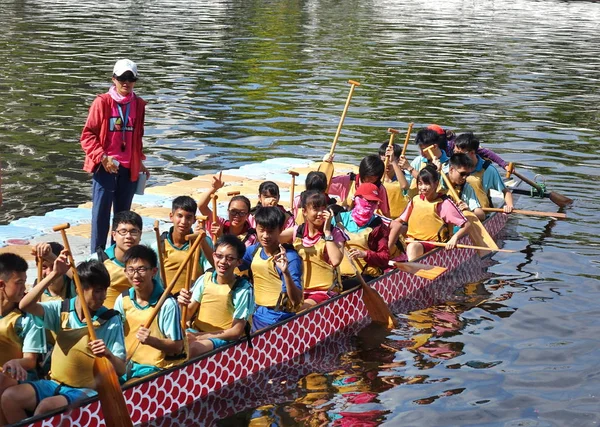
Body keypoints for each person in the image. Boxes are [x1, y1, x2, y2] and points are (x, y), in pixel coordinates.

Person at [5, 257, 125, 424]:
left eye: (105, 290)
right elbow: (25, 305)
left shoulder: (111, 320)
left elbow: (121, 370)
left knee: (46, 408)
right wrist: (54, 274)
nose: (103, 296)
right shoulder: (61, 309)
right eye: (97, 291)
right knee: (9, 398)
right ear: (80, 289)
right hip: (53, 384)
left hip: (86, 391)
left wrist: (108, 354)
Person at [81, 59, 150, 253]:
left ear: (135, 80)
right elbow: (87, 136)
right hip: (105, 167)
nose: (126, 82)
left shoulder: (137, 104)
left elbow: (137, 137)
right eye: (121, 78)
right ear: (114, 79)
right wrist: (102, 157)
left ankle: (117, 256)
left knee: (122, 218)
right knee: (101, 215)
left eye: (130, 78)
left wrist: (140, 161)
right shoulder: (102, 102)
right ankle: (97, 257)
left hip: (128, 168)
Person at [114, 245, 185, 382]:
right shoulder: (123, 299)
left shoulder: (167, 304)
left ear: (154, 271)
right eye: (131, 270)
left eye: (141, 269)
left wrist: (151, 341)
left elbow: (177, 346)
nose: (135, 275)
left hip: (155, 368)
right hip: (128, 363)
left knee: (126, 392)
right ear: (125, 272)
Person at [177, 235, 254, 358]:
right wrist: (181, 304)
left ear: (239, 262)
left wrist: (199, 337)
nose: (223, 262)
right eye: (219, 256)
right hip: (196, 332)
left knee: (192, 349)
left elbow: (235, 332)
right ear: (213, 256)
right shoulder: (204, 279)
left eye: (229, 258)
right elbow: (187, 314)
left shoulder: (243, 289)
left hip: (224, 339)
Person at [0, 253, 47, 426]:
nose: (24, 288)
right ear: (1, 285)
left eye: (25, 282)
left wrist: (14, 362)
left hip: (21, 375)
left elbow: (30, 360)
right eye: (19, 283)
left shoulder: (27, 317)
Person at [239, 207, 303, 331]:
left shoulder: (290, 258)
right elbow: (227, 265)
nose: (265, 236)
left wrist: (286, 273)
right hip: (255, 313)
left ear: (280, 230)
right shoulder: (253, 251)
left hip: (278, 318)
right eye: (261, 230)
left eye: (271, 231)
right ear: (256, 228)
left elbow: (296, 300)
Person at [281, 191, 346, 308]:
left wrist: (327, 232)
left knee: (298, 309)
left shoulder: (335, 232)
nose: (320, 213)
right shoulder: (297, 231)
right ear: (304, 212)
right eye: (315, 209)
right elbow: (272, 240)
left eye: (323, 208)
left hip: (325, 292)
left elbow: (336, 260)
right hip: (299, 290)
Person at [392, 166, 471, 261]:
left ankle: (409, 271)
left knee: (413, 247)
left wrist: (454, 238)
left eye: (427, 184)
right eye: (420, 184)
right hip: (411, 240)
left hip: (432, 244)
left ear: (436, 184)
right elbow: (399, 220)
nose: (423, 188)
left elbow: (467, 225)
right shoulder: (415, 200)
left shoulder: (444, 203)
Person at [151, 196, 213, 295]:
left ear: (194, 220)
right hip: (166, 299)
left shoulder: (203, 241)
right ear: (171, 216)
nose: (183, 222)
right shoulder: (158, 245)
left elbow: (212, 269)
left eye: (188, 217)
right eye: (179, 216)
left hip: (192, 300)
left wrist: (202, 241)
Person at [335, 183, 390, 290]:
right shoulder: (338, 220)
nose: (370, 205)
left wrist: (364, 254)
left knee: (344, 287)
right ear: (356, 199)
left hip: (364, 276)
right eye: (367, 200)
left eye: (374, 202)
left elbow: (384, 258)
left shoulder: (378, 226)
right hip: (337, 273)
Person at [90, 210, 143, 309]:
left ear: (140, 235)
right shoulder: (98, 260)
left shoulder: (147, 262)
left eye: (133, 232)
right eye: (123, 232)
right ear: (114, 235)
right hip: (105, 319)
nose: (128, 236)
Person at [453, 132, 514, 213]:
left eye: (459, 154)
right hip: (456, 211)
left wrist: (509, 206)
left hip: (479, 213)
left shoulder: (489, 170)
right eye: (455, 152)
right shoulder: (452, 166)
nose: (456, 157)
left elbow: (506, 192)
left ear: (472, 152)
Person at [198, 173, 257, 247]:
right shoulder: (220, 224)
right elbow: (202, 206)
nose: (237, 216)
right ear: (227, 211)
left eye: (242, 213)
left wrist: (221, 236)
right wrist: (214, 188)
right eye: (233, 211)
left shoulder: (252, 237)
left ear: (248, 215)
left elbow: (235, 255)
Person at [404, 126, 450, 200]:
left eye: (423, 149)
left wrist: (410, 168)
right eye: (420, 149)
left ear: (434, 146)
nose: (421, 153)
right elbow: (405, 184)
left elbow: (442, 185)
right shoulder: (419, 160)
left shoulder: (448, 164)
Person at [444, 153, 485, 221]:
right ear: (451, 170)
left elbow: (481, 215)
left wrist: (468, 211)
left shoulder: (466, 187)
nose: (464, 177)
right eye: (462, 174)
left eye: (467, 174)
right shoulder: (436, 181)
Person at [378, 142, 409, 219]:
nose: (387, 164)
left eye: (390, 160)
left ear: (398, 160)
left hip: (398, 219)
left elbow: (404, 186)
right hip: (379, 217)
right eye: (384, 160)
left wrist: (393, 162)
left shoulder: (405, 176)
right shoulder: (376, 177)